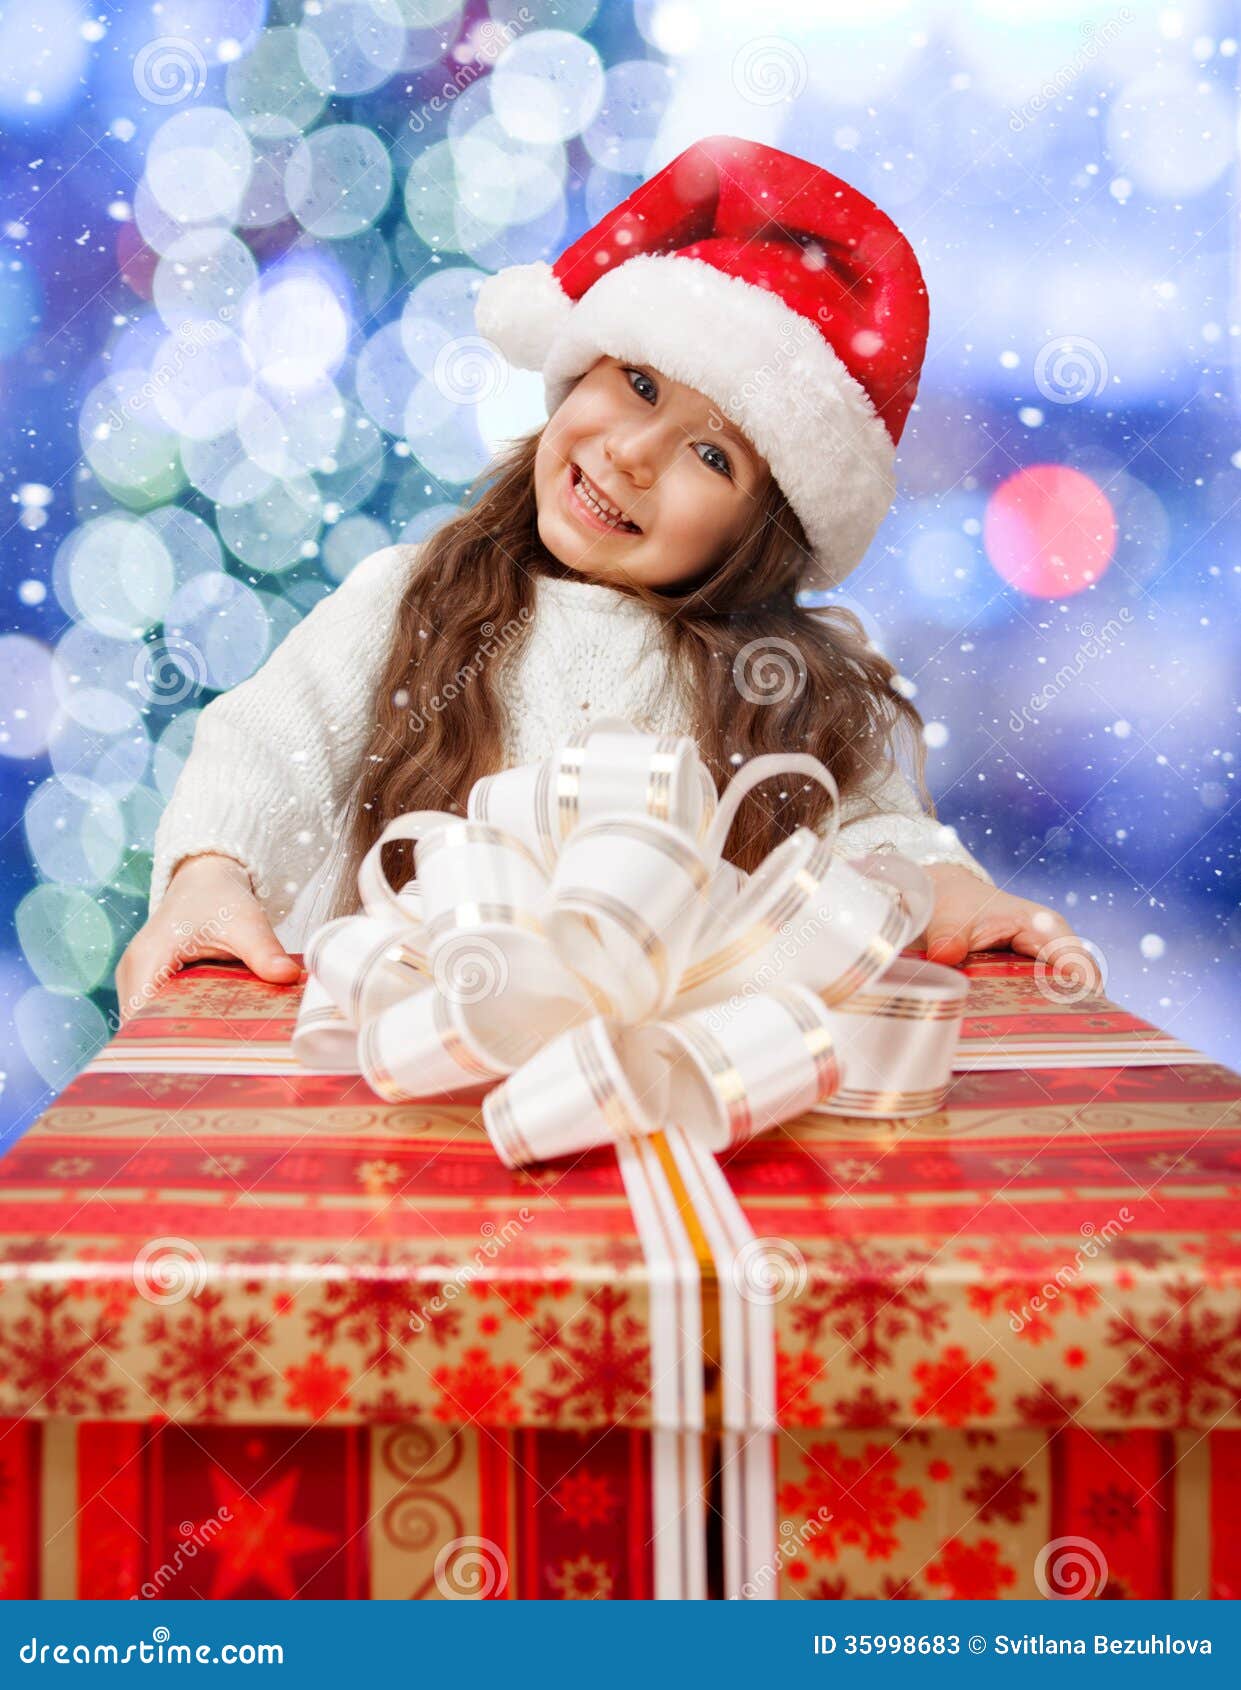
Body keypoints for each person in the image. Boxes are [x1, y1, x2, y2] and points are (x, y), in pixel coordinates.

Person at [116, 135, 1091, 1023]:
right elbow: (266, 745)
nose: (631, 454)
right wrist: (209, 877)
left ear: (764, 529)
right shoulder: (409, 597)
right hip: (413, 1066)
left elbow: (876, 835)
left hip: (684, 1089)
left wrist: (949, 891)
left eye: (711, 457)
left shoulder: (795, 686)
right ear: (574, 367)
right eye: (636, 384)